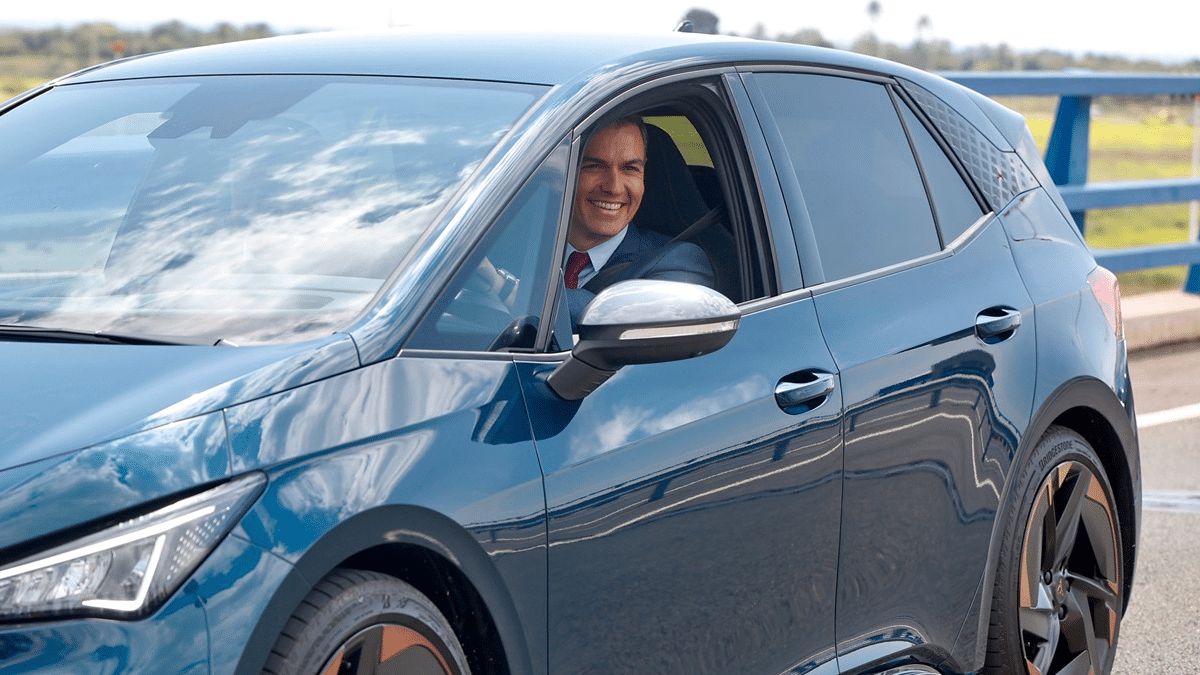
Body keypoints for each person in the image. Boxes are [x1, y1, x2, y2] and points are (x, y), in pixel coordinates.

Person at [563, 116, 716, 326]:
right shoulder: (515, 241)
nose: (614, 188)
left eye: (630, 169)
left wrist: (514, 291)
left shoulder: (679, 261)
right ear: (563, 172)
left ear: (645, 177)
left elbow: (628, 322)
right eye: (594, 166)